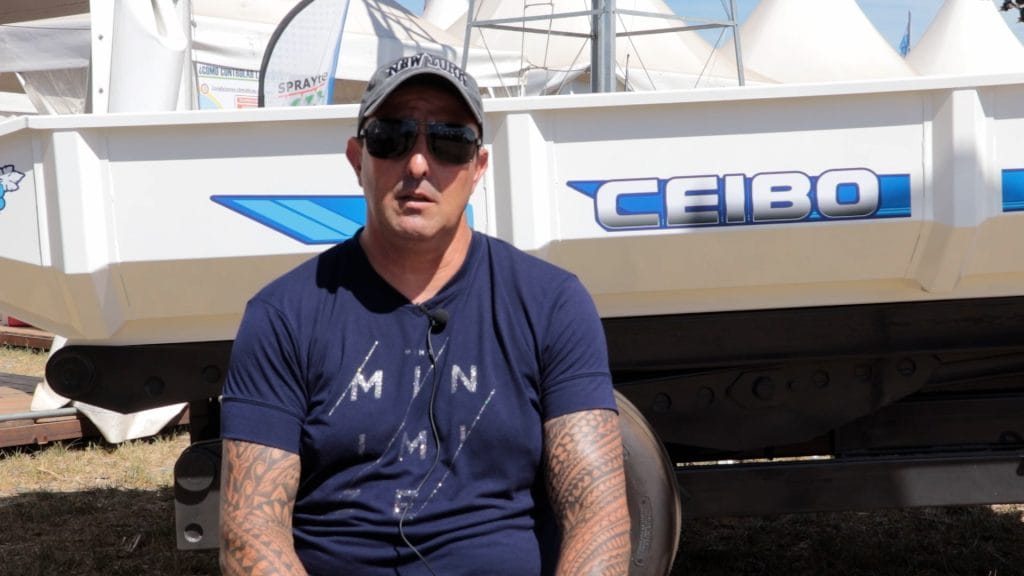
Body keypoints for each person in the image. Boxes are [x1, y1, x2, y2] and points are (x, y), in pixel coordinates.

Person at [218, 52, 630, 575]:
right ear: (357, 159)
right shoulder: (283, 316)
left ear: (478, 168)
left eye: (449, 141)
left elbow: (598, 517)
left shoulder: (552, 304)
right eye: (391, 137)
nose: (418, 164)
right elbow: (250, 532)